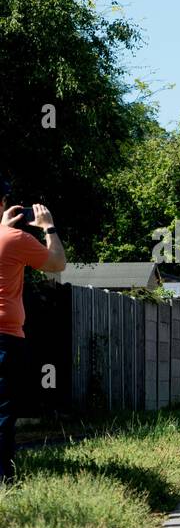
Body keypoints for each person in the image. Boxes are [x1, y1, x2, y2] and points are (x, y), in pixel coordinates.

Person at [0, 186, 66, 483]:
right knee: (2, 412)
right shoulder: (15, 239)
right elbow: (56, 263)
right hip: (5, 337)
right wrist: (48, 226)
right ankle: (3, 480)